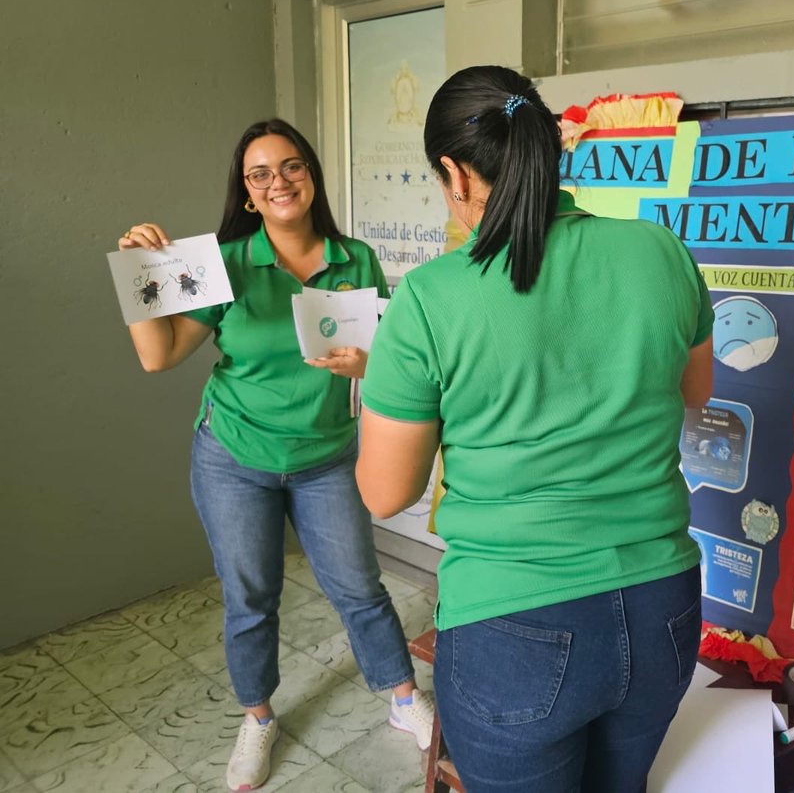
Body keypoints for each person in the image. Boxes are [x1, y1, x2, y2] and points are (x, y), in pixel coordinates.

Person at [356, 65, 715, 793]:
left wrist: (387, 391)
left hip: (511, 623)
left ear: (455, 175)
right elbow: (695, 393)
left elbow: (384, 494)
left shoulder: (430, 299)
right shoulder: (660, 251)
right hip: (663, 608)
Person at [117, 118, 432, 792]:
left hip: (326, 456)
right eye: (259, 174)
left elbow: (379, 362)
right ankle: (257, 717)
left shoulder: (356, 259)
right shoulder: (222, 262)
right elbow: (158, 355)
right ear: (247, 194)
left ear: (311, 177)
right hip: (234, 455)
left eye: (290, 166)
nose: (277, 181)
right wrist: (141, 271)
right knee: (250, 597)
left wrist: (365, 366)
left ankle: (403, 699)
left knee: (358, 586)